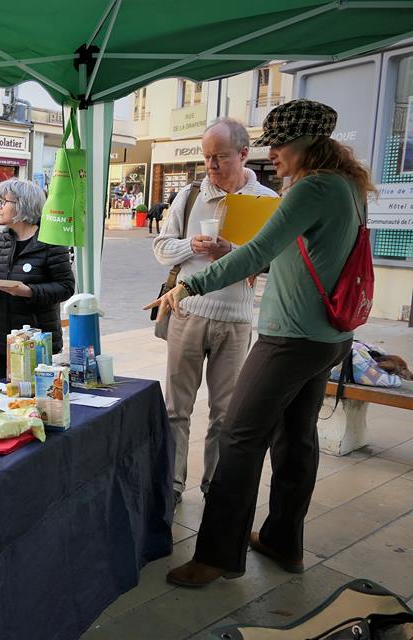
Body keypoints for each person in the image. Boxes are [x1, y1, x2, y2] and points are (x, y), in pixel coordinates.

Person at [147, 99, 366, 587]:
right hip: (330, 337)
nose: (275, 154)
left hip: (290, 338)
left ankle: (217, 556)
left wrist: (190, 284)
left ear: (308, 143)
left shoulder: (310, 189)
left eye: (280, 145)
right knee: (296, 439)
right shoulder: (349, 187)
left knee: (238, 438)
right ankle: (284, 541)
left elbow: (257, 254)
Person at [152, 118, 277, 508]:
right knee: (176, 409)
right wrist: (193, 245)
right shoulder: (189, 195)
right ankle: (171, 486)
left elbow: (274, 261)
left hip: (237, 319)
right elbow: (161, 248)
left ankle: (216, 487)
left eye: (219, 157)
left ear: (242, 154)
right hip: (188, 312)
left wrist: (233, 253)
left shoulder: (266, 200)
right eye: (206, 158)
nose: (211, 165)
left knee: (227, 414)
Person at [0, 178, 75, 381]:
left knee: (37, 402)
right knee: (7, 397)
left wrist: (28, 291)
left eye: (3, 202)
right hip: (2, 337)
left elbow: (66, 287)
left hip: (36, 340)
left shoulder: (51, 242)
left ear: (22, 205)